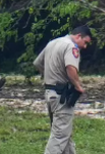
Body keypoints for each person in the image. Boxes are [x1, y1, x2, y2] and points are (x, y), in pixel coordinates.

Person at [33, 25, 93, 154]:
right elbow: (71, 68)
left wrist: (49, 75)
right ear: (78, 36)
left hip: (49, 93)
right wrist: (78, 86)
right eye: (85, 42)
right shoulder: (71, 47)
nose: (85, 46)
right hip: (62, 96)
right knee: (59, 137)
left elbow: (37, 63)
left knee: (64, 133)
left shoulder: (53, 43)